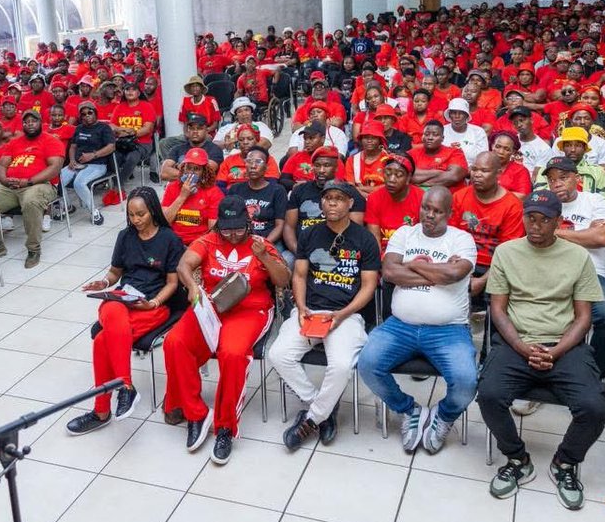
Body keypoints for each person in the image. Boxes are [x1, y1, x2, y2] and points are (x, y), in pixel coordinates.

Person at [477, 190, 605, 510]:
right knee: (489, 395)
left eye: (544, 220)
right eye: (530, 218)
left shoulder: (577, 257)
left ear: (558, 222)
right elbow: (498, 310)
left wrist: (556, 350)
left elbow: (584, 318)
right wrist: (521, 347)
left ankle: (565, 462)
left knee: (594, 407)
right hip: (517, 340)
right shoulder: (506, 252)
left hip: (563, 343)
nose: (535, 226)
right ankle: (517, 458)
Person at [163, 195, 290, 464]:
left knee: (232, 354)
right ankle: (196, 414)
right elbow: (184, 265)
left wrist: (264, 257)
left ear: (248, 224)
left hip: (251, 310)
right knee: (175, 342)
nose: (233, 235)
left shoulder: (261, 244)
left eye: (239, 229)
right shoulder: (209, 240)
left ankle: (225, 428)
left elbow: (283, 279)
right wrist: (192, 286)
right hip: (213, 305)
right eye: (227, 229)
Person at [358, 186, 478, 453]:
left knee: (466, 382)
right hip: (400, 326)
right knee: (367, 364)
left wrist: (410, 264)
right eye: (426, 208)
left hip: (449, 330)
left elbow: (454, 274)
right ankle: (409, 410)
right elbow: (390, 272)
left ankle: (443, 416)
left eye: (437, 211)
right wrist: (438, 271)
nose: (429, 215)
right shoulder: (405, 233)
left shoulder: (462, 239)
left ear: (449, 214)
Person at [272, 180, 381, 451]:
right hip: (310, 311)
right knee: (279, 354)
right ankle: (322, 409)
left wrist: (343, 314)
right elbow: (299, 275)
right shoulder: (310, 234)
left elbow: (369, 286)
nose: (332, 202)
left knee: (341, 365)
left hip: (346, 314)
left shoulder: (364, 239)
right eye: (327, 197)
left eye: (339, 198)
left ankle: (311, 419)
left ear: (350, 203)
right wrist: (300, 307)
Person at [67, 188, 185, 435]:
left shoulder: (169, 240)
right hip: (123, 299)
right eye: (131, 215)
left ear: (153, 211)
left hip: (153, 305)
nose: (136, 220)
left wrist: (153, 303)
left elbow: (173, 283)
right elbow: (115, 272)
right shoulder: (125, 236)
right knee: (111, 307)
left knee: (102, 341)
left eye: (141, 214)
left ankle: (101, 412)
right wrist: (104, 283)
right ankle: (126, 386)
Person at [544, 156, 605, 378]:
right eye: (552, 179)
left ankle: (595, 371)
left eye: (563, 177)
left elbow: (601, 238)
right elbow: (534, 238)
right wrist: (585, 233)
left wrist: (553, 232)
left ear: (577, 178)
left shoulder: (594, 201)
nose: (557, 184)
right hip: (550, 273)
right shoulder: (544, 203)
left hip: (591, 273)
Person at [0, 111, 66, 269]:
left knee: (31, 201)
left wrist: (28, 181)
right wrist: (5, 180)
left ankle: (34, 249)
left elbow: (55, 168)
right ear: (23, 125)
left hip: (40, 184)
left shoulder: (51, 141)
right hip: (11, 186)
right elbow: (2, 165)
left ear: (41, 122)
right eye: (26, 122)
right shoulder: (15, 142)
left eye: (34, 121)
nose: (30, 124)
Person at [451, 152, 525, 304]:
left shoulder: (512, 205)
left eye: (484, 171)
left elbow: (508, 254)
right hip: (461, 261)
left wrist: (482, 281)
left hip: (494, 266)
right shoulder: (459, 197)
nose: (477, 175)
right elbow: (449, 237)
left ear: (498, 173)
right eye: (474, 169)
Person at [226, 146, 289, 262]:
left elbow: (280, 225)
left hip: (269, 240)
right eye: (249, 161)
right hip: (240, 240)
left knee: (281, 262)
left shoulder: (278, 191)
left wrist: (264, 244)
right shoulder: (235, 189)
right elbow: (228, 219)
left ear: (266, 167)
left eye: (258, 162)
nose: (253, 166)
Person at [61, 101, 116, 226]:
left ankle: (94, 211)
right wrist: (71, 160)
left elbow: (111, 147)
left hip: (97, 164)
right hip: (77, 164)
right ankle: (68, 206)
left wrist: (93, 155)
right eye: (83, 114)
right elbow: (73, 147)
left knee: (79, 183)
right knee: (58, 180)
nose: (87, 116)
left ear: (95, 113)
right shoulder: (79, 128)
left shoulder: (104, 128)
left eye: (89, 113)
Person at [161, 147, 224, 245]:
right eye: (189, 168)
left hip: (200, 242)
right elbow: (164, 222)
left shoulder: (214, 192)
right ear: (183, 168)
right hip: (174, 241)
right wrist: (182, 196)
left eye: (196, 169)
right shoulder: (172, 187)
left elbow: (213, 230)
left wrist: (197, 246)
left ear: (204, 171)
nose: (191, 172)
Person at [365, 154, 423, 253]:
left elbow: (424, 239)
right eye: (388, 173)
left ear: (408, 178)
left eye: (399, 175)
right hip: (384, 254)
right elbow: (375, 241)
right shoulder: (374, 198)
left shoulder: (421, 198)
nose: (391, 180)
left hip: (412, 253)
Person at [108, 81, 157, 184]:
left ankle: (118, 184)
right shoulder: (119, 107)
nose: (130, 92)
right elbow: (111, 125)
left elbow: (148, 129)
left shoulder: (147, 106)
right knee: (112, 156)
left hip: (142, 143)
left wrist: (131, 133)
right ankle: (112, 181)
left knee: (132, 157)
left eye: (133, 89)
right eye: (127, 89)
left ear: (138, 93)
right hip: (121, 142)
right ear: (124, 92)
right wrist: (125, 130)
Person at [159, 114, 223, 183]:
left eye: (199, 128)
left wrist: (179, 169)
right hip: (179, 187)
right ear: (188, 130)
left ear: (206, 130)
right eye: (192, 128)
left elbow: (206, 173)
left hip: (203, 188)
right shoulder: (177, 149)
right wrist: (192, 173)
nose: (195, 131)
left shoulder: (215, 150)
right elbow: (164, 173)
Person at [408, 120, 468, 188]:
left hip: (449, 193)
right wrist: (438, 172)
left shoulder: (455, 152)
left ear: (442, 138)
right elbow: (407, 175)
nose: (430, 138)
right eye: (426, 134)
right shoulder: (411, 154)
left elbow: (453, 176)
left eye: (435, 135)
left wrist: (421, 183)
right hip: (418, 194)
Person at [489, 130, 533, 197]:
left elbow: (523, 196)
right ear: (492, 146)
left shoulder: (520, 171)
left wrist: (493, 195)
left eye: (506, 149)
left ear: (513, 152)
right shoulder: (482, 165)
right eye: (497, 146)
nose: (501, 152)